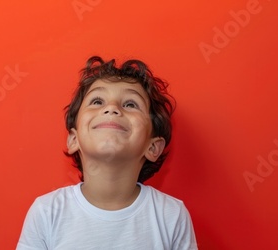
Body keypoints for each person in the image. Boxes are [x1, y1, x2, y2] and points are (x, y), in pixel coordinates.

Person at [16, 56, 198, 250]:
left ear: (153, 147)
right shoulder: (47, 212)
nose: (111, 108)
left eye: (130, 104)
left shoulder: (171, 215)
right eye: (97, 101)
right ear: (73, 140)